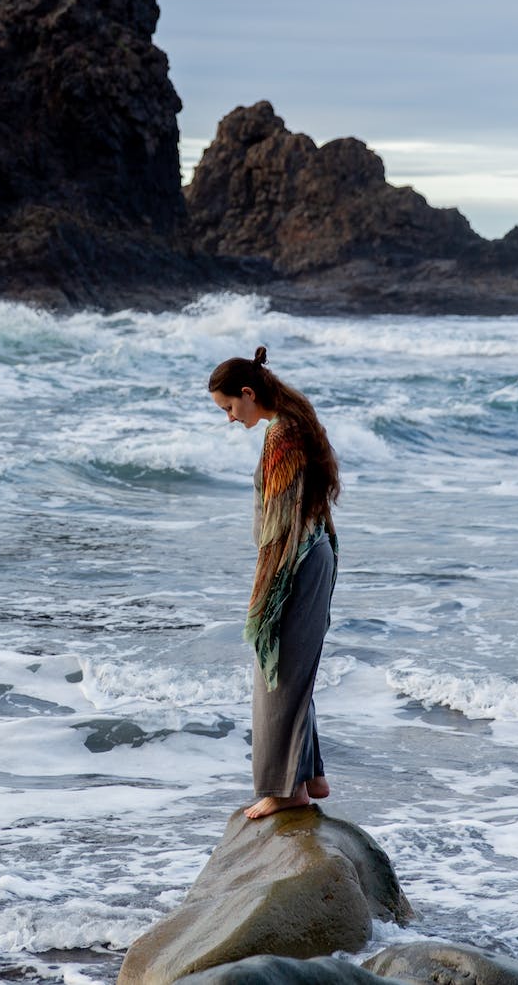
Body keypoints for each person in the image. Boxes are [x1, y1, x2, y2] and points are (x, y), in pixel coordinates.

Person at [208, 345, 340, 819]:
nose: (229, 418)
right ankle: (311, 776)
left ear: (248, 393)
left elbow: (280, 522)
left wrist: (265, 588)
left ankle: (286, 791)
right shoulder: (296, 419)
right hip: (314, 554)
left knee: (276, 671)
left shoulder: (280, 435)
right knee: (293, 667)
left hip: (297, 561)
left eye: (229, 407)